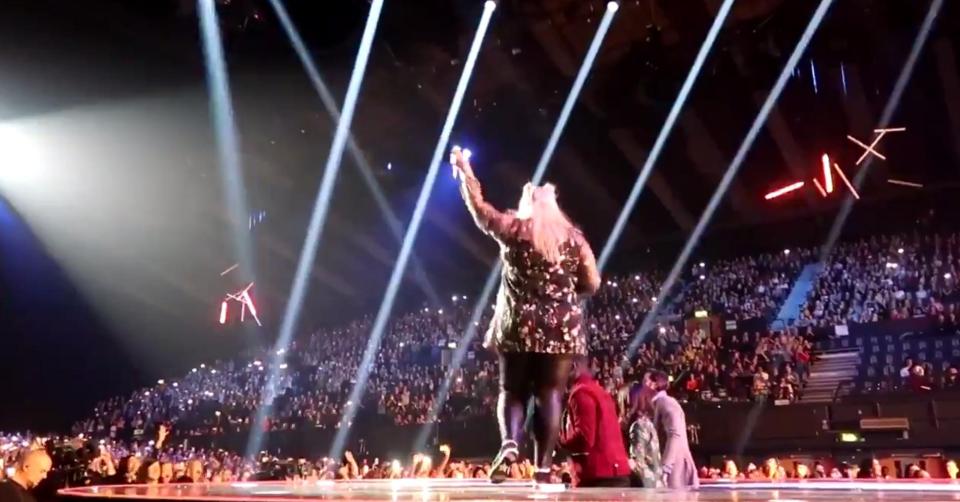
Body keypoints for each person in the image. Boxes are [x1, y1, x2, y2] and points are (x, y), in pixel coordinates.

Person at [451, 147, 601, 483]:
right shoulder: (574, 240)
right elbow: (592, 282)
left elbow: (480, 210)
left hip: (518, 326)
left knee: (512, 391)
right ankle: (544, 468)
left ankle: (509, 444)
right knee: (550, 393)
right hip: (561, 330)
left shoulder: (515, 229)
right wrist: (564, 293)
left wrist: (465, 170)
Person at [558, 357, 631, 487]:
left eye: (559, 368)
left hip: (599, 476)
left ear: (573, 367)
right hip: (613, 472)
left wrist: (558, 440)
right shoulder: (596, 390)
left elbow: (584, 437)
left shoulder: (581, 393)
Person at [642, 371, 698, 489]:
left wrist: (665, 468)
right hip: (671, 469)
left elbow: (674, 435)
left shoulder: (667, 403)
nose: (643, 385)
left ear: (655, 384)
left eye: (645, 381)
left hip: (676, 470)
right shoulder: (658, 404)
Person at [627, 384, 662, 487]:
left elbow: (638, 461)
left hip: (646, 486)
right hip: (656, 481)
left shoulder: (639, 426)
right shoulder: (650, 425)